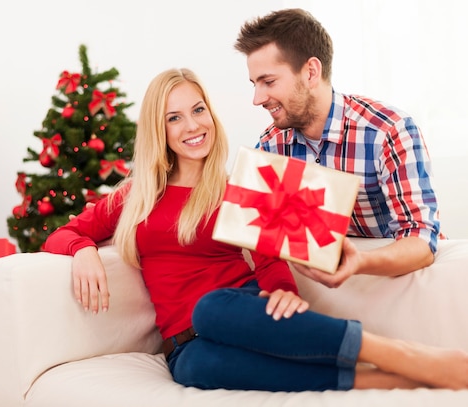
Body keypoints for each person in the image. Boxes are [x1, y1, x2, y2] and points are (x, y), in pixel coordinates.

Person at [43, 68, 468, 392]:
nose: (192, 126)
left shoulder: (237, 188)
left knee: (209, 309)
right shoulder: (134, 197)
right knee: (194, 370)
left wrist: (284, 290)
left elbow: (269, 257)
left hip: (236, 309)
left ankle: (403, 355)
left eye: (198, 110)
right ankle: (391, 382)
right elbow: (60, 235)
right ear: (160, 130)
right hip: (185, 344)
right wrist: (83, 250)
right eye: (174, 118)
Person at [234, 8, 442, 288]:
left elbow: (421, 238)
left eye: (268, 82)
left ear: (310, 72)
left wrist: (360, 262)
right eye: (254, 84)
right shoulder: (271, 145)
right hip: (330, 291)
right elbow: (262, 236)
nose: (257, 99)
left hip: (404, 282)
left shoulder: (388, 131)